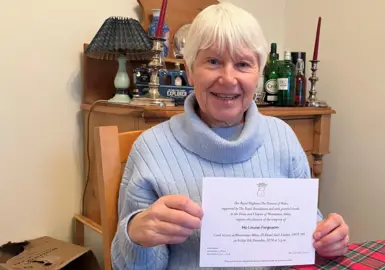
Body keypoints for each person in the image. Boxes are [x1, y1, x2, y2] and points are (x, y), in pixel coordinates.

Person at [111, 2, 349, 269]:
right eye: (212, 61)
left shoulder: (283, 137)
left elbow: (308, 229)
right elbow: (131, 266)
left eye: (243, 64)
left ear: (258, 73)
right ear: (189, 70)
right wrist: (137, 236)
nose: (228, 78)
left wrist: (327, 237)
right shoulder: (151, 148)